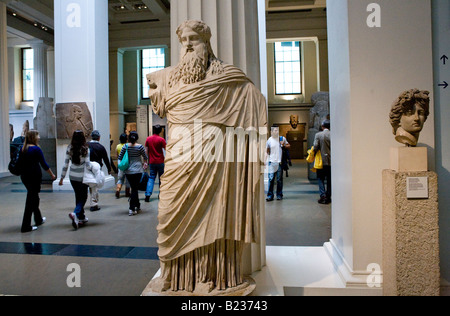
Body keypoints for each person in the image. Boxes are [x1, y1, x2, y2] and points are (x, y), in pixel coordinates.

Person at [147, 20, 267, 293]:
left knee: (215, 215)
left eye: (194, 39)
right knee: (169, 212)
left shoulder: (226, 76)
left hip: (214, 159)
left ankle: (209, 277)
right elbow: (158, 97)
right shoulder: (168, 77)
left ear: (207, 42)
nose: (188, 44)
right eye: (184, 40)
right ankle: (173, 276)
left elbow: (253, 101)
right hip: (178, 156)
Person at [19, 130, 56, 233]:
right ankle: (25, 226)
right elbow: (44, 164)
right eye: (37, 135)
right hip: (34, 177)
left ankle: (38, 219)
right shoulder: (36, 149)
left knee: (34, 198)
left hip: (25, 177)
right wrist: (52, 175)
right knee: (31, 201)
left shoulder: (23, 149)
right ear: (33, 137)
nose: (39, 137)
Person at [59, 130, 92, 230]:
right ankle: (75, 213)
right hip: (82, 176)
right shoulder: (85, 149)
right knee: (83, 197)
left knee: (78, 196)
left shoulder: (70, 148)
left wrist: (61, 178)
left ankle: (81, 217)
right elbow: (88, 164)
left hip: (72, 176)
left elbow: (65, 164)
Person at [118, 131, 148, 216]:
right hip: (138, 170)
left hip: (128, 171)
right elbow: (145, 157)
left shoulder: (125, 146)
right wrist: (145, 163)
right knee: (135, 188)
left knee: (133, 187)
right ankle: (131, 208)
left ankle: (137, 205)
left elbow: (120, 157)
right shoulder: (140, 147)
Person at [88, 130, 112, 211]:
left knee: (89, 186)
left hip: (87, 168)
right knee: (94, 186)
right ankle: (94, 204)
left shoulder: (87, 145)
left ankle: (86, 202)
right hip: (97, 168)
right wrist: (109, 169)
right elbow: (106, 159)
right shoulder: (101, 147)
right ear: (99, 138)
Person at [266, 125, 290, 201]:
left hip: (279, 162)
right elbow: (267, 150)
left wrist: (283, 145)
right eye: (274, 130)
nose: (276, 132)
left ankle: (279, 194)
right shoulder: (269, 140)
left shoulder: (282, 138)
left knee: (279, 179)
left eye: (277, 130)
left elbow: (288, 145)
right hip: (271, 162)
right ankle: (270, 195)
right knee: (271, 179)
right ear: (271, 131)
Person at [144, 125, 166, 202]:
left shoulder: (148, 139)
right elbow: (165, 150)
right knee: (161, 179)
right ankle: (161, 194)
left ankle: (148, 194)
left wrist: (145, 161)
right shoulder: (161, 140)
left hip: (152, 162)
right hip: (160, 161)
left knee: (151, 178)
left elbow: (146, 151)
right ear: (160, 131)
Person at [313, 119, 331, 204]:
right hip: (331, 161)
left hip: (321, 161)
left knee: (320, 178)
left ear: (322, 126)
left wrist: (313, 153)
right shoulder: (333, 134)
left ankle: (322, 195)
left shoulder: (318, 135)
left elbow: (315, 146)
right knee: (330, 179)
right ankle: (328, 196)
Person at [115, 133, 131, 198]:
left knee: (120, 178)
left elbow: (116, 156)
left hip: (121, 164)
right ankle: (127, 193)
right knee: (128, 179)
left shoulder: (118, 146)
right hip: (127, 164)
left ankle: (118, 190)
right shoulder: (128, 146)